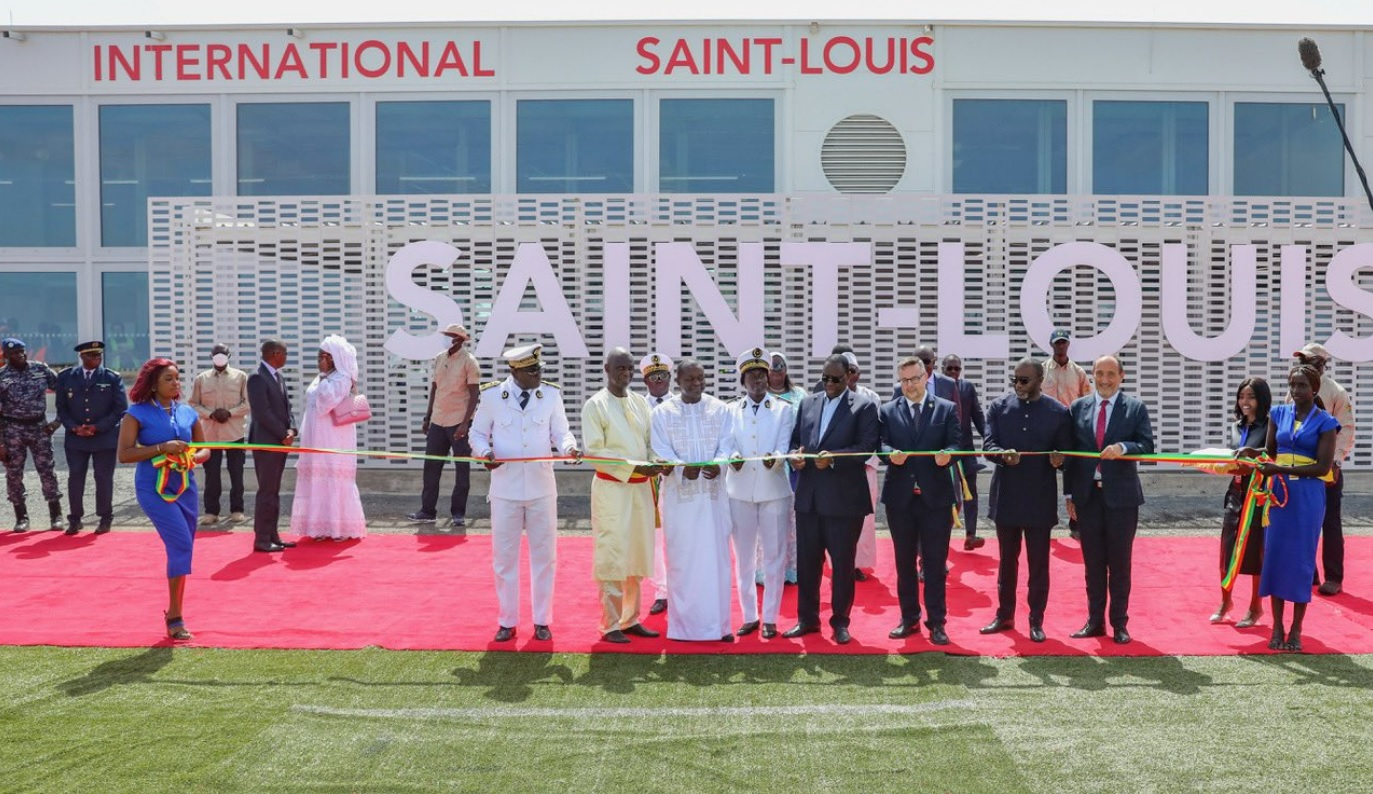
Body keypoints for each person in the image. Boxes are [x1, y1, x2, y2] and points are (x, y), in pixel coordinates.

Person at [470, 344, 581, 643]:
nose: (539, 375)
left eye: (540, 369)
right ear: (514, 371)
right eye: (533, 371)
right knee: (505, 559)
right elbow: (477, 433)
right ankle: (507, 620)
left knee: (544, 557)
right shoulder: (493, 395)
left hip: (541, 487)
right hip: (505, 488)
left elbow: (561, 432)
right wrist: (485, 452)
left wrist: (569, 448)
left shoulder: (550, 395)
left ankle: (542, 620)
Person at [1242, 364, 1338, 653]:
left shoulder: (1326, 422)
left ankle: (1296, 629)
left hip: (1307, 497)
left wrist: (1279, 468)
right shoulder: (1278, 414)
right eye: (1292, 385)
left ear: (1314, 389)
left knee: (1299, 562)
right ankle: (1277, 627)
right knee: (1275, 558)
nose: (1296, 391)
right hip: (1278, 495)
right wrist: (1251, 454)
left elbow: (1322, 467)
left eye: (1302, 386)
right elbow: (1270, 453)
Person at [785, 353, 879, 644]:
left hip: (844, 500)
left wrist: (836, 459)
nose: (829, 384)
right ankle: (807, 620)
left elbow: (867, 446)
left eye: (836, 379)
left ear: (849, 376)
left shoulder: (864, 406)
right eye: (824, 378)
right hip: (809, 498)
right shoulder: (808, 403)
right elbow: (794, 441)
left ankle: (840, 622)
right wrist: (795, 457)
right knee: (808, 563)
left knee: (842, 564)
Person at [116, 358, 210, 641]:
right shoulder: (136, 414)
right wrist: (161, 448)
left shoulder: (187, 413)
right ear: (153, 383)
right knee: (181, 543)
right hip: (153, 489)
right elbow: (125, 454)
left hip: (185, 487)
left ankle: (175, 611)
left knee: (184, 548)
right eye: (168, 378)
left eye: (177, 378)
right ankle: (175, 616)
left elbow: (204, 450)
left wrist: (191, 458)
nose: (176, 383)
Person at [979, 359, 1072, 643]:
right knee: (1007, 561)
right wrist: (1001, 454)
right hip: (1007, 496)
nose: (1018, 385)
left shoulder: (1058, 412)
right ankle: (1004, 615)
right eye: (1015, 380)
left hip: (1040, 500)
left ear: (1040, 380)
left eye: (1024, 380)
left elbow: (1066, 455)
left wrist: (1060, 460)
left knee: (1038, 564)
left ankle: (1036, 620)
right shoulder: (998, 407)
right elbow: (988, 446)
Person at [1063, 355, 1154, 645]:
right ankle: (1094, 621)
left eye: (1110, 374)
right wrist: (1069, 494)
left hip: (1122, 500)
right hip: (1088, 498)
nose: (1104, 379)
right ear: (1091, 376)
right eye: (1099, 373)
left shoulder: (1135, 408)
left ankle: (1119, 624)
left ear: (1122, 376)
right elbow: (1071, 456)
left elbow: (1147, 447)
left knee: (1119, 564)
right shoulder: (1078, 408)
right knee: (1092, 564)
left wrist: (1124, 447)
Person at [582, 348, 663, 644]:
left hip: (641, 489)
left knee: (636, 553)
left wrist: (655, 462)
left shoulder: (641, 402)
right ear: (606, 368)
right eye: (620, 368)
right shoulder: (595, 406)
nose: (625, 374)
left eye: (629, 368)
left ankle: (630, 619)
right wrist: (633, 467)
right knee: (613, 554)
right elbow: (595, 451)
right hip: (612, 490)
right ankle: (610, 624)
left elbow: (649, 443)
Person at [878, 356, 960, 646]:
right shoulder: (888, 410)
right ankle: (909, 618)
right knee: (904, 563)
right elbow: (881, 444)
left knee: (935, 564)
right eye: (904, 380)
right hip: (900, 500)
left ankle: (937, 622)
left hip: (935, 499)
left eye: (914, 379)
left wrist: (948, 454)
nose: (909, 385)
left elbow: (957, 443)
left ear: (926, 377)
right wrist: (890, 454)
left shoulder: (946, 408)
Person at [652, 358, 735, 642]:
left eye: (700, 378)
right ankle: (683, 628)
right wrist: (678, 467)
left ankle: (720, 626)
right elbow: (660, 448)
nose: (696, 384)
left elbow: (728, 444)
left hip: (713, 500)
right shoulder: (663, 413)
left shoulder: (721, 409)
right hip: (680, 501)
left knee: (717, 562)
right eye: (690, 379)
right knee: (682, 562)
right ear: (678, 381)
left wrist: (719, 464)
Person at [726, 348, 796, 639]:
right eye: (752, 375)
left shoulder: (783, 409)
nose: (758, 380)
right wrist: (732, 456)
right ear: (743, 380)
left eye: (762, 374)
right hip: (740, 490)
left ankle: (770, 617)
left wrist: (777, 457)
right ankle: (749, 615)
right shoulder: (730, 410)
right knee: (743, 559)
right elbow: (725, 443)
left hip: (774, 490)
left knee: (774, 556)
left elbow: (784, 444)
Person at [289, 335, 367, 541]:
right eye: (319, 355)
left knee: (333, 478)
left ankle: (339, 528)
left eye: (323, 356)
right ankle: (320, 527)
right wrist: (323, 376)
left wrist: (324, 377)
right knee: (317, 480)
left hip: (334, 437)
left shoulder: (342, 378)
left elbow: (325, 403)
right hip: (316, 437)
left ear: (334, 358)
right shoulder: (322, 377)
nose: (319, 359)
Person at [1292, 343, 1355, 596]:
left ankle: (1334, 577)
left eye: (1309, 359)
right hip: (1303, 467)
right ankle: (1310, 574)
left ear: (1322, 363)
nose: (1304, 364)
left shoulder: (1335, 392)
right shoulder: (1296, 390)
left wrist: (1336, 462)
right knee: (1304, 522)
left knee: (1329, 523)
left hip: (1327, 466)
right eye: (1301, 359)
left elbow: (1346, 429)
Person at [1209, 377, 1271, 628]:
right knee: (1227, 550)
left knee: (1255, 552)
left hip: (1257, 495)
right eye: (1242, 397)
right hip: (1234, 494)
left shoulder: (1270, 427)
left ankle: (1256, 606)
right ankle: (1226, 602)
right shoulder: (1235, 427)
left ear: (1262, 399)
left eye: (1251, 397)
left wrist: (1252, 462)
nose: (1245, 402)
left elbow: (1270, 456)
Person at [409, 323, 481, 528]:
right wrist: (427, 417)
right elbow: (434, 388)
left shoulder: (469, 362)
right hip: (438, 421)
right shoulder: (440, 358)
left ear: (458, 339)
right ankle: (427, 511)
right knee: (431, 466)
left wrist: (465, 424)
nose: (446, 338)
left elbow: (475, 395)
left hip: (458, 422)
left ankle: (458, 513)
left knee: (461, 469)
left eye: (449, 335)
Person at [55, 341, 127, 535]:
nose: (96, 359)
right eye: (91, 356)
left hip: (104, 438)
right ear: (82, 357)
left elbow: (120, 408)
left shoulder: (111, 377)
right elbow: (61, 407)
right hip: (76, 438)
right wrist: (73, 427)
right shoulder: (66, 377)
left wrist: (98, 427)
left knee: (103, 478)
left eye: (98, 355)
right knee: (76, 478)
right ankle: (75, 519)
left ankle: (105, 518)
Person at [0, 338, 63, 532]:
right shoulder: (1, 376)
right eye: (14, 353)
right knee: (14, 474)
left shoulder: (40, 370)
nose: (19, 355)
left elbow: (65, 391)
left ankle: (56, 515)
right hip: (12, 430)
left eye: (21, 351)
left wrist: (57, 421)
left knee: (47, 470)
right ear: (5, 356)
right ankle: (21, 517)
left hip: (39, 427)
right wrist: (0, 443)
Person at [188, 343, 250, 526]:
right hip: (210, 434)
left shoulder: (240, 377)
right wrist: (210, 414)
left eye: (223, 354)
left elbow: (248, 403)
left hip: (234, 433)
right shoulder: (202, 379)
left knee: (236, 473)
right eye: (216, 354)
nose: (219, 357)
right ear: (211, 356)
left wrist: (229, 413)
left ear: (229, 355)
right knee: (211, 474)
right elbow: (193, 403)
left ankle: (237, 510)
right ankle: (211, 511)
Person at [246, 339, 297, 553]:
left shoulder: (278, 377)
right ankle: (262, 539)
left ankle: (273, 535)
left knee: (274, 491)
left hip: (279, 441)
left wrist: (292, 430)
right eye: (285, 353)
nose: (286, 357)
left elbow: (287, 409)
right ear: (275, 354)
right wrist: (281, 433)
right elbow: (262, 413)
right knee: (266, 491)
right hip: (266, 442)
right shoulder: (257, 377)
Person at [1042, 328, 1092, 541]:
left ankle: (1075, 522)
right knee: (1043, 475)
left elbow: (1087, 400)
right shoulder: (1042, 370)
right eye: (1057, 343)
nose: (1060, 346)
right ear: (1051, 345)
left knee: (1072, 476)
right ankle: (1044, 519)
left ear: (1068, 345)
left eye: (1063, 343)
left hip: (1070, 429)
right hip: (1046, 429)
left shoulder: (1079, 372)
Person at [842, 351, 883, 582]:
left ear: (858, 373)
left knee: (865, 519)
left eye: (853, 371)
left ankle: (857, 564)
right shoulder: (830, 396)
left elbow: (875, 433)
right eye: (845, 371)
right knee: (839, 518)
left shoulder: (871, 398)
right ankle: (841, 561)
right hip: (838, 468)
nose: (849, 376)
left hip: (865, 466)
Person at [640, 351, 675, 616]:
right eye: (653, 377)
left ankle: (682, 588)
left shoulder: (679, 404)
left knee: (680, 536)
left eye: (662, 375)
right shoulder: (638, 406)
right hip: (649, 481)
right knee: (655, 538)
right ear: (646, 381)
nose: (659, 380)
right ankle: (662, 591)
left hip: (677, 479)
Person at [765, 352, 804, 586]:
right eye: (772, 367)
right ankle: (766, 571)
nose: (776, 371)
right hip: (768, 467)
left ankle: (793, 570)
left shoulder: (800, 395)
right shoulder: (759, 395)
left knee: (794, 521)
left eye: (780, 366)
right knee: (770, 521)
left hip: (795, 468)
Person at [942, 354, 987, 550]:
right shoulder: (938, 388)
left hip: (966, 449)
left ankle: (971, 534)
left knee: (971, 493)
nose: (953, 372)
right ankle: (942, 533)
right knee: (948, 495)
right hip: (945, 452)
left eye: (956, 368)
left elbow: (977, 415)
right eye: (949, 368)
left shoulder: (967, 388)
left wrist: (991, 438)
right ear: (942, 368)